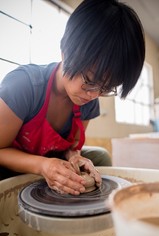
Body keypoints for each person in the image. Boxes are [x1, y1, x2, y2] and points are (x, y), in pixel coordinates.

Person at [0, 0, 145, 194]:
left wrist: (74, 156)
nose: (94, 95)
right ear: (65, 52)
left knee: (100, 158)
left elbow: (70, 147)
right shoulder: (23, 86)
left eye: (107, 88)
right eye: (90, 81)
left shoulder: (89, 102)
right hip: (13, 163)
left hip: (50, 160)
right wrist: (42, 165)